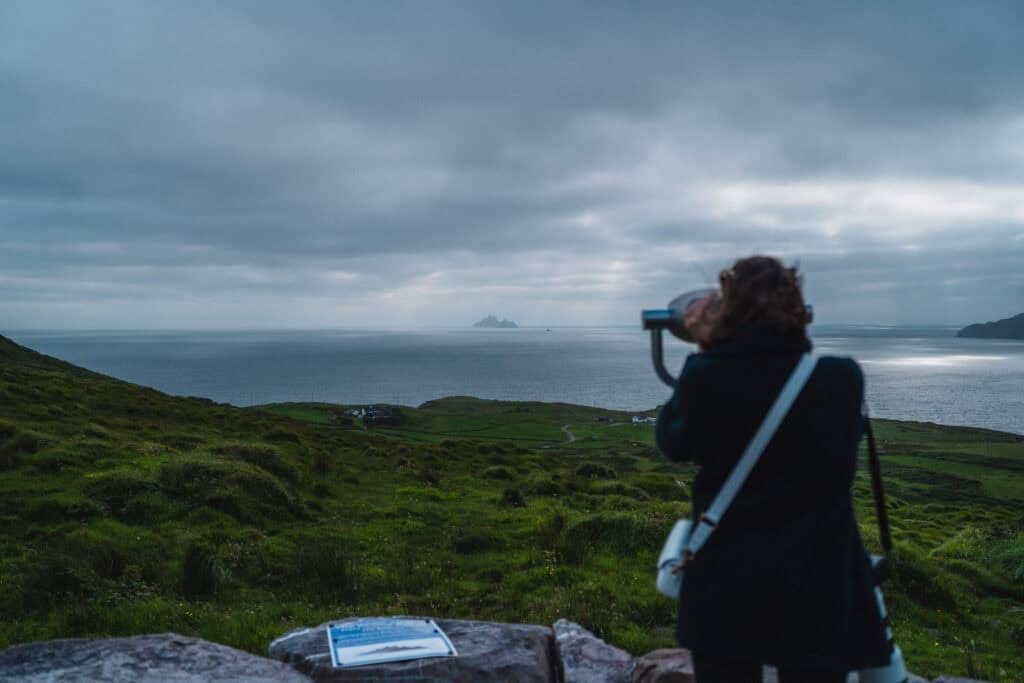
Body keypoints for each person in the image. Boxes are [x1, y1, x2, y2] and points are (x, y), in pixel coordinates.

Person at [655, 255, 891, 683]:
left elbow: (674, 441)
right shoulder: (841, 379)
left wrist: (706, 351)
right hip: (821, 587)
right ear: (799, 310)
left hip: (728, 587)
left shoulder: (708, 378)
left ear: (726, 315)